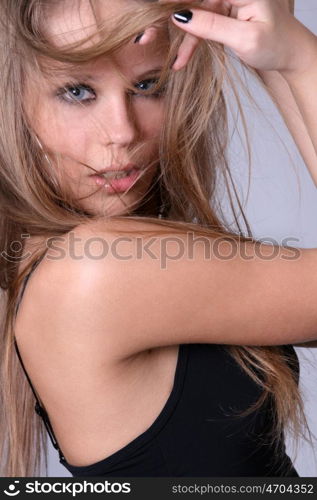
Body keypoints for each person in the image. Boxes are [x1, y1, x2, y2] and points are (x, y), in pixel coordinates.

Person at [0, 0, 316, 478]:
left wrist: (279, 53)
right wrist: (295, 56)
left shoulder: (73, 264)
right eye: (78, 91)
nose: (123, 132)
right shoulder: (93, 269)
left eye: (148, 85)